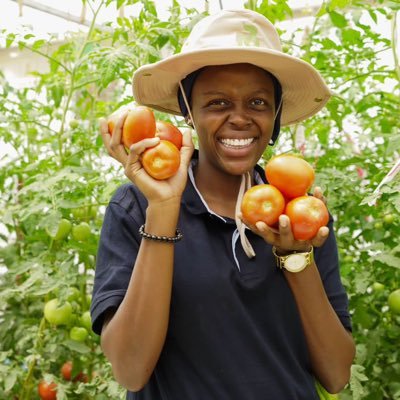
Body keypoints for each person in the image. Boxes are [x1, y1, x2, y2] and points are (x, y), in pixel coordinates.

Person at [90, 9, 355, 400]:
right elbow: (130, 369)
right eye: (216, 103)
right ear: (187, 110)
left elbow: (336, 374)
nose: (240, 119)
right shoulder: (135, 205)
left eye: (258, 103)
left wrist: (295, 258)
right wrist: (164, 207)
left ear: (276, 115)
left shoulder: (299, 212)